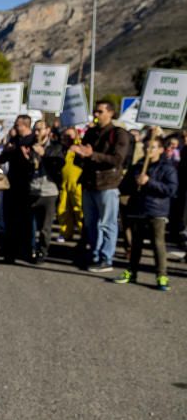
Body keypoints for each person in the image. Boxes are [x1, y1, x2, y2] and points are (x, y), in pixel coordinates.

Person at [72, 100, 132, 272]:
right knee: (91, 223)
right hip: (89, 183)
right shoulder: (91, 132)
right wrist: (79, 152)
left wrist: (93, 155)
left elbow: (117, 160)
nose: (96, 115)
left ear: (110, 113)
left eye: (100, 111)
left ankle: (106, 258)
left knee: (107, 224)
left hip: (108, 184)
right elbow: (82, 158)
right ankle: (95, 255)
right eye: (95, 112)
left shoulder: (119, 134)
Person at [113, 135, 178, 291]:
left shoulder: (167, 168)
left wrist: (150, 182)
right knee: (136, 244)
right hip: (138, 210)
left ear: (161, 150)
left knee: (158, 245)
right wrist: (132, 182)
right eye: (146, 147)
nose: (148, 150)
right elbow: (124, 187)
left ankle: (161, 275)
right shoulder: (137, 166)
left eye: (152, 147)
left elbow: (171, 190)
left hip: (156, 211)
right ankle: (132, 271)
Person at [0, 115, 37, 263]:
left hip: (27, 184)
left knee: (27, 220)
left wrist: (28, 157)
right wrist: (7, 150)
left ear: (25, 125)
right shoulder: (14, 140)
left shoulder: (33, 140)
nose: (14, 127)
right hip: (12, 184)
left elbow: (37, 162)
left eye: (17, 125)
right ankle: (10, 252)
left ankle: (28, 250)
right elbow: (1, 160)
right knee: (10, 220)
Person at [28, 119, 65, 264]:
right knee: (30, 225)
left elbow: (58, 165)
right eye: (35, 129)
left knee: (45, 227)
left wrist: (44, 154)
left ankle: (42, 251)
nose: (37, 132)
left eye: (40, 129)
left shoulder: (56, 147)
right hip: (32, 190)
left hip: (49, 191)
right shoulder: (29, 146)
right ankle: (29, 248)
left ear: (48, 130)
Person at [56, 127, 83, 242]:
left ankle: (84, 234)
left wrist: (77, 142)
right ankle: (65, 232)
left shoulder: (79, 147)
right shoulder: (61, 149)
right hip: (64, 184)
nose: (67, 138)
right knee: (63, 209)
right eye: (65, 136)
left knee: (80, 210)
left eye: (70, 136)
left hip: (77, 185)